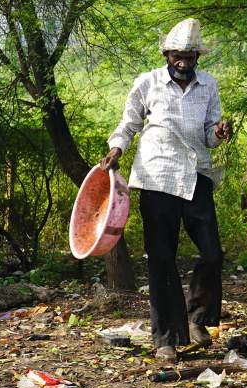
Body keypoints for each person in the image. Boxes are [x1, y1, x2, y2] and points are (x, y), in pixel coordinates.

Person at [99, 18, 232, 362]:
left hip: (195, 174)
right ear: (167, 55)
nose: (183, 62)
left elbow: (209, 134)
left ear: (197, 57)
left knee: (212, 254)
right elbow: (129, 123)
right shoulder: (148, 83)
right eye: (177, 56)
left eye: (189, 56)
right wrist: (116, 150)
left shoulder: (208, 85)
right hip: (156, 175)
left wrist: (218, 133)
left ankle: (198, 318)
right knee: (161, 258)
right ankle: (166, 339)